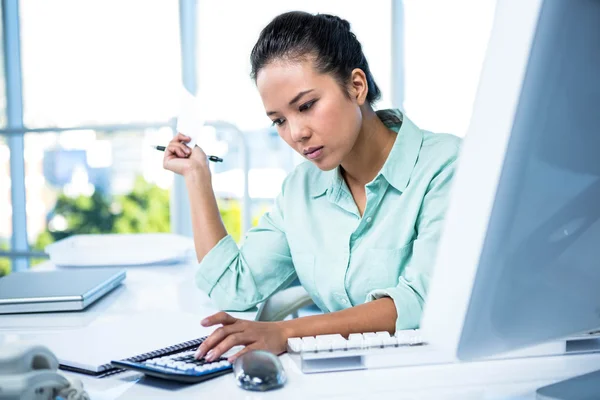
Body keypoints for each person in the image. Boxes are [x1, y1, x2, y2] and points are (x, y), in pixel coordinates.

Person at [163, 11, 461, 363]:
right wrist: (197, 178)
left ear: (356, 86)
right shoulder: (300, 190)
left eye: (306, 106)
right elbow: (234, 287)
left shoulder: (447, 164)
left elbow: (418, 303)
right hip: (340, 378)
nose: (296, 133)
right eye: (279, 121)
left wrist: (285, 333)